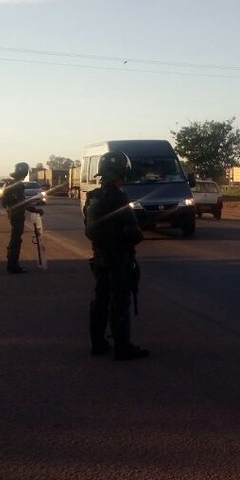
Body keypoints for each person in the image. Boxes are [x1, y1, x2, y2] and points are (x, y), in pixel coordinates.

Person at [83, 151, 148, 361]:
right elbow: (135, 232)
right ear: (122, 172)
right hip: (117, 258)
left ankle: (98, 343)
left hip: (99, 256)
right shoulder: (118, 197)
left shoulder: (92, 196)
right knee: (120, 300)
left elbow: (89, 228)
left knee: (100, 299)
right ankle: (122, 347)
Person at [1, 162, 43, 274]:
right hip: (17, 214)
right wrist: (34, 209)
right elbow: (22, 203)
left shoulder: (9, 184)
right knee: (16, 239)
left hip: (12, 212)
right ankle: (13, 265)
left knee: (15, 238)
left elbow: (4, 201)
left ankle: (11, 263)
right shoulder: (17, 185)